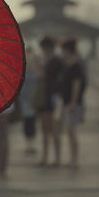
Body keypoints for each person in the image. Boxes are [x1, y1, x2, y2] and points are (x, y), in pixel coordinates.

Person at [59, 37, 86, 169]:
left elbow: (77, 85)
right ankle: (72, 159)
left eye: (63, 49)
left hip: (72, 102)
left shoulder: (76, 65)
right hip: (66, 102)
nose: (62, 52)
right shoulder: (67, 63)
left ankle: (75, 160)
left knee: (71, 131)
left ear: (68, 50)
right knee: (69, 131)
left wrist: (73, 102)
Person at [37, 35, 63, 167]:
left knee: (52, 129)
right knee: (45, 129)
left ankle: (55, 158)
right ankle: (46, 157)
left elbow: (43, 76)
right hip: (46, 97)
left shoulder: (54, 61)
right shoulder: (50, 60)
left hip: (51, 98)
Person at [20, 45, 41, 155]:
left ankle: (30, 145)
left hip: (30, 99)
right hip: (25, 99)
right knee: (28, 123)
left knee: (31, 123)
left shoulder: (32, 70)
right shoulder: (23, 69)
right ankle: (29, 144)